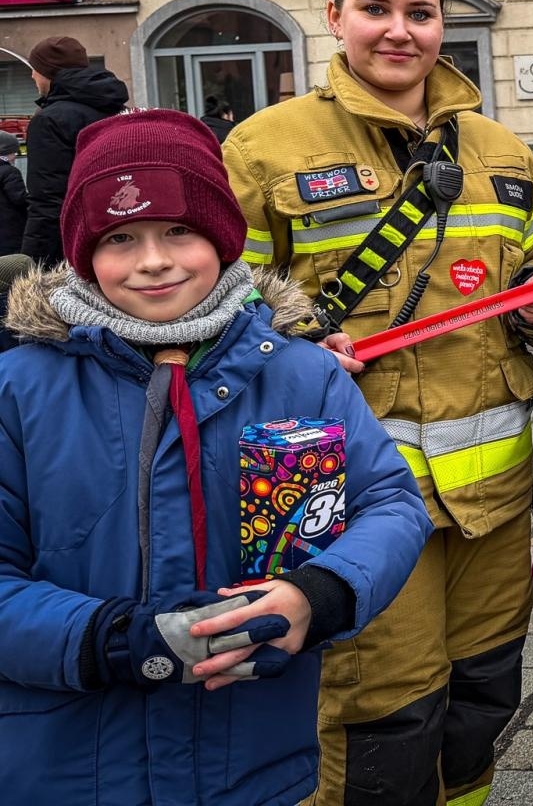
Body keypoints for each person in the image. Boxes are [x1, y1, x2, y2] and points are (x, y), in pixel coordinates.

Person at [223, 0, 533, 806]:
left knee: (481, 696)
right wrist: (292, 347)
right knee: (382, 711)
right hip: (354, 500)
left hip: (493, 498)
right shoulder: (265, 148)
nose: (399, 30)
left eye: (419, 12)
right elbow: (224, 302)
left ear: (442, 25)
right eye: (376, 9)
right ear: (334, 17)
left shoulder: (501, 151)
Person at [0, 109, 431, 806]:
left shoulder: (302, 374)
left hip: (251, 757)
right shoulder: (18, 390)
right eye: (119, 238)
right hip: (71, 765)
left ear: (223, 237)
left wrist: (318, 595)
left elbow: (389, 504)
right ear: (83, 253)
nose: (153, 260)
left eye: (179, 230)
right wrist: (109, 639)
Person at [21, 35, 129, 266]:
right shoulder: (118, 108)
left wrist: (35, 262)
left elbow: (48, 199)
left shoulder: (50, 120)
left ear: (48, 72)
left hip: (75, 246)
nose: (32, 76)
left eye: (35, 69)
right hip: (123, 234)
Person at [0, 131, 26, 256]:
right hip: (11, 232)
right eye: (13, 152)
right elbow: (20, 199)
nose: (15, 157)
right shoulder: (10, 172)